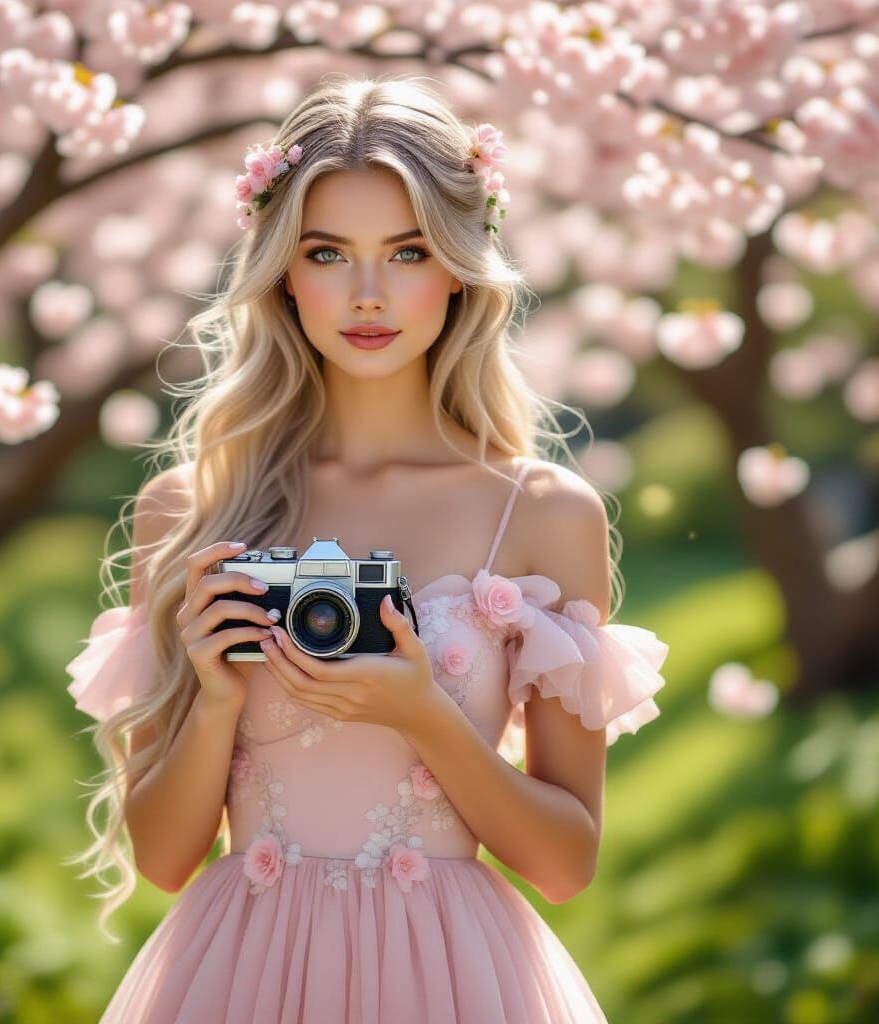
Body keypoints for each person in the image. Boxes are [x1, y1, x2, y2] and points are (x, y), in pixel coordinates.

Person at [64, 73, 669, 1023]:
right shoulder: (191, 509)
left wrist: (426, 714)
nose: (370, 293)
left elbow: (565, 864)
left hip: (459, 982)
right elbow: (164, 859)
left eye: (408, 251)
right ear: (283, 271)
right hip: (239, 978)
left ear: (461, 266)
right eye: (329, 252)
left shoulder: (544, 513)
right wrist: (216, 697)